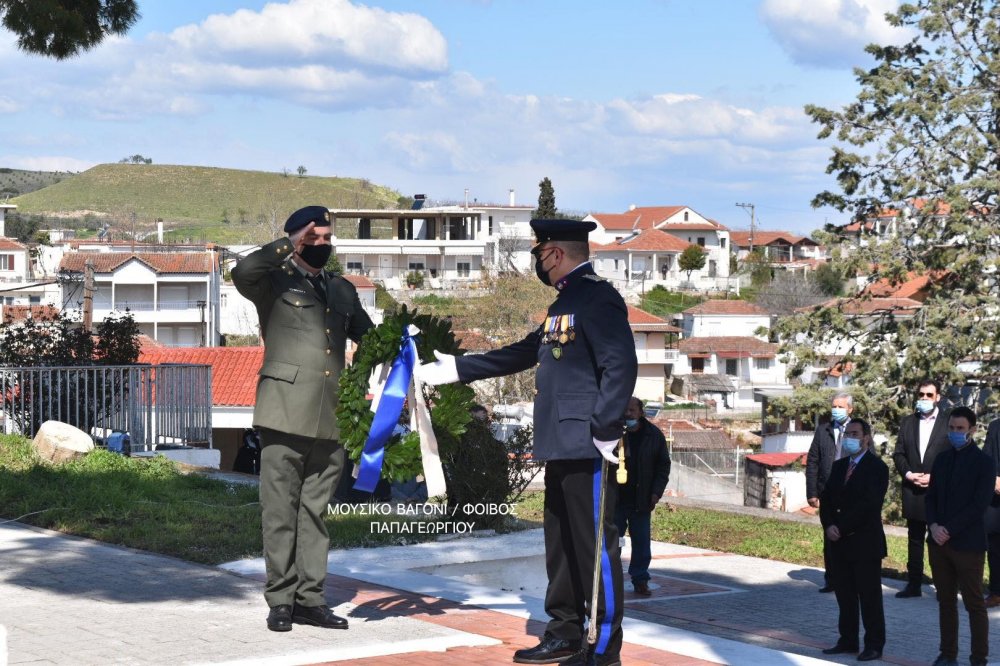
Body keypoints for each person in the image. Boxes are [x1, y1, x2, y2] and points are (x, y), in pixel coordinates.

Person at [418, 218, 637, 666]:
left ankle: (602, 646)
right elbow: (524, 352)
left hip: (589, 443)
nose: (538, 262)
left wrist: (605, 429)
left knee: (596, 547)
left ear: (555, 253)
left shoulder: (598, 298)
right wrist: (457, 368)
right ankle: (564, 631)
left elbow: (621, 365)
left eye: (539, 254)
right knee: (560, 545)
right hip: (560, 441)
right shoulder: (564, 304)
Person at [232, 205, 374, 633]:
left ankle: (311, 599)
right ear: (295, 239)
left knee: (315, 514)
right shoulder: (271, 282)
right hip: (283, 411)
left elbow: (370, 337)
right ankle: (280, 600)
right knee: (279, 512)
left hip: (331, 417)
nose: (322, 246)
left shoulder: (342, 290)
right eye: (313, 239)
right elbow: (242, 271)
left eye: (327, 239)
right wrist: (287, 246)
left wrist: (393, 352)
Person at [925, 406, 993, 666]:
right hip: (938, 542)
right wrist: (933, 526)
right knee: (945, 602)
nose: (955, 433)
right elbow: (930, 499)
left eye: (960, 429)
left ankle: (978, 658)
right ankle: (947, 653)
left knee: (974, 604)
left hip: (967, 545)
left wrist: (949, 529)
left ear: (972, 430)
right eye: (952, 428)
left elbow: (979, 505)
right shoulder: (942, 459)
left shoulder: (984, 463)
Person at [819, 417, 888, 662]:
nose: (850, 437)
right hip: (838, 543)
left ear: (866, 438)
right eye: (848, 433)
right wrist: (829, 525)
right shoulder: (839, 467)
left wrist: (842, 526)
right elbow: (826, 499)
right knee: (845, 596)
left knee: (869, 597)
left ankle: (874, 644)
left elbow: (869, 505)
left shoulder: (877, 468)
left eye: (855, 433)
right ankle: (847, 639)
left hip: (864, 543)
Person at [891, 378, 951, 598]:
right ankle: (913, 584)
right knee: (914, 539)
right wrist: (908, 474)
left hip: (939, 492)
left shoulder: (948, 423)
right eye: (921, 395)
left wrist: (934, 477)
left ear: (938, 398)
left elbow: (953, 457)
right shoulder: (908, 422)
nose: (924, 399)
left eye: (929, 395)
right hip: (914, 490)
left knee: (939, 540)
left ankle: (943, 587)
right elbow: (898, 453)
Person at [614, 396, 670, 597]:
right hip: (616, 501)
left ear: (640, 412)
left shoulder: (653, 435)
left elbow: (663, 465)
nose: (628, 414)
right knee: (613, 542)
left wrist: (656, 492)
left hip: (642, 500)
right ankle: (610, 579)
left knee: (641, 544)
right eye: (625, 410)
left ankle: (640, 580)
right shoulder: (614, 433)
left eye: (632, 410)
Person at [806, 392, 853, 592]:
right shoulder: (823, 430)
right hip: (828, 493)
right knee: (830, 536)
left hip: (851, 493)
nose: (837, 410)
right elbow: (813, 462)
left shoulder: (857, 430)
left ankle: (850, 578)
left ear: (850, 409)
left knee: (850, 536)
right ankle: (831, 579)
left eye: (841, 407)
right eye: (834, 406)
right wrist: (812, 492)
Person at [981, 418, 1000, 608]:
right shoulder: (995, 425)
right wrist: (993, 478)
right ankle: (996, 592)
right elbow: (987, 456)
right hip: (996, 499)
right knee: (994, 546)